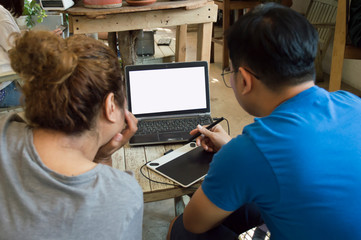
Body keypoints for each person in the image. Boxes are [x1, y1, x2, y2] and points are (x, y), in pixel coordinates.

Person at [167, 3, 361, 240]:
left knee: (182, 230)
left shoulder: (249, 151)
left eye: (230, 73)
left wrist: (234, 158)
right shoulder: (352, 103)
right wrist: (232, 149)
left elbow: (194, 223)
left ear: (245, 81)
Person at [0, 31, 143, 239]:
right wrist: (102, 159)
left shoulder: (5, 131)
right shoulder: (122, 196)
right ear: (111, 105)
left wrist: (100, 156)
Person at [0, 0, 23, 108]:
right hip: (4, 89)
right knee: (47, 102)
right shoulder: (1, 14)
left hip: (5, 83)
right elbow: (20, 54)